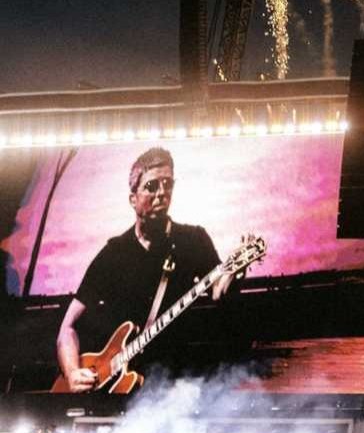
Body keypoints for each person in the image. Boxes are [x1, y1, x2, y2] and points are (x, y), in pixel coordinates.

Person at [55, 147, 234, 393]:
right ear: (133, 199)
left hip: (174, 384)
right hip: (115, 388)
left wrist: (233, 273)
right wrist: (72, 372)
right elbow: (67, 327)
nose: (162, 193)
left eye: (167, 184)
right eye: (151, 186)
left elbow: (218, 291)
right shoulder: (113, 253)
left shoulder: (193, 240)